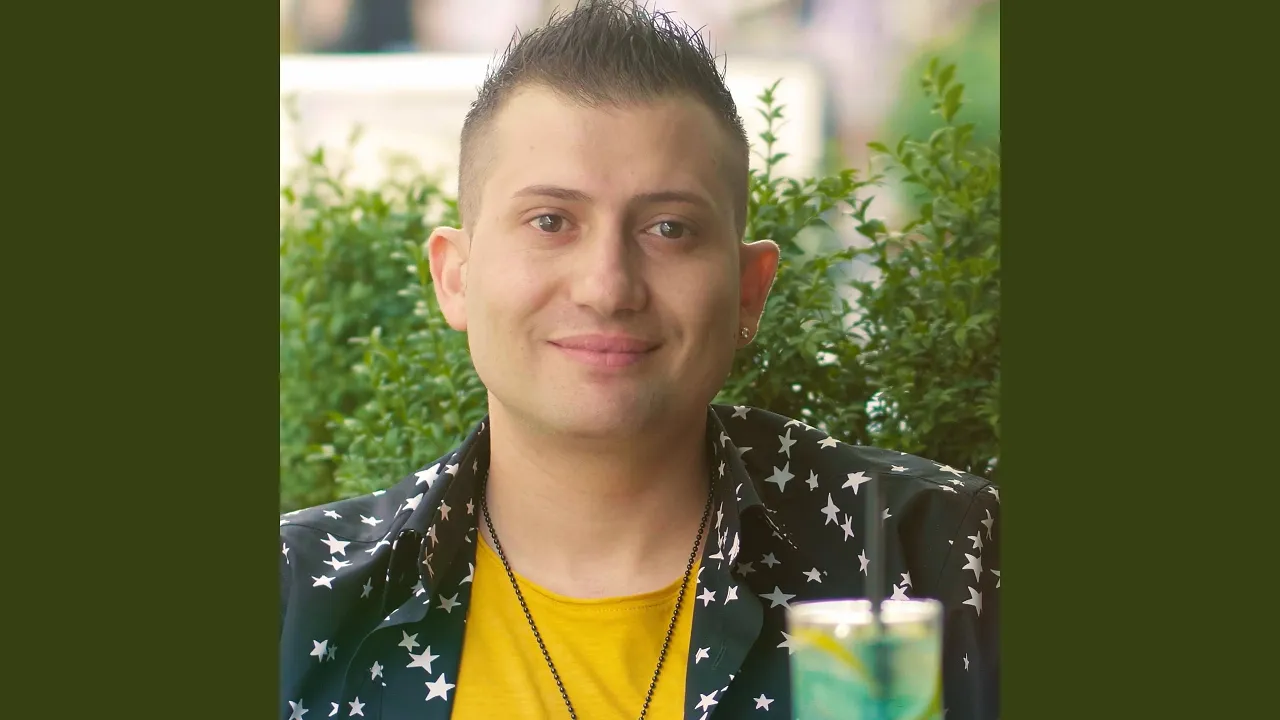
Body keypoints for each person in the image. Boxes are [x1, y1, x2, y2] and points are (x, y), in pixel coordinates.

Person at [279, 2, 1000, 718]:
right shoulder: (295, 600)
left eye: (669, 228)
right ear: (455, 277)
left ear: (749, 290)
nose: (608, 286)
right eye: (550, 221)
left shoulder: (938, 557)